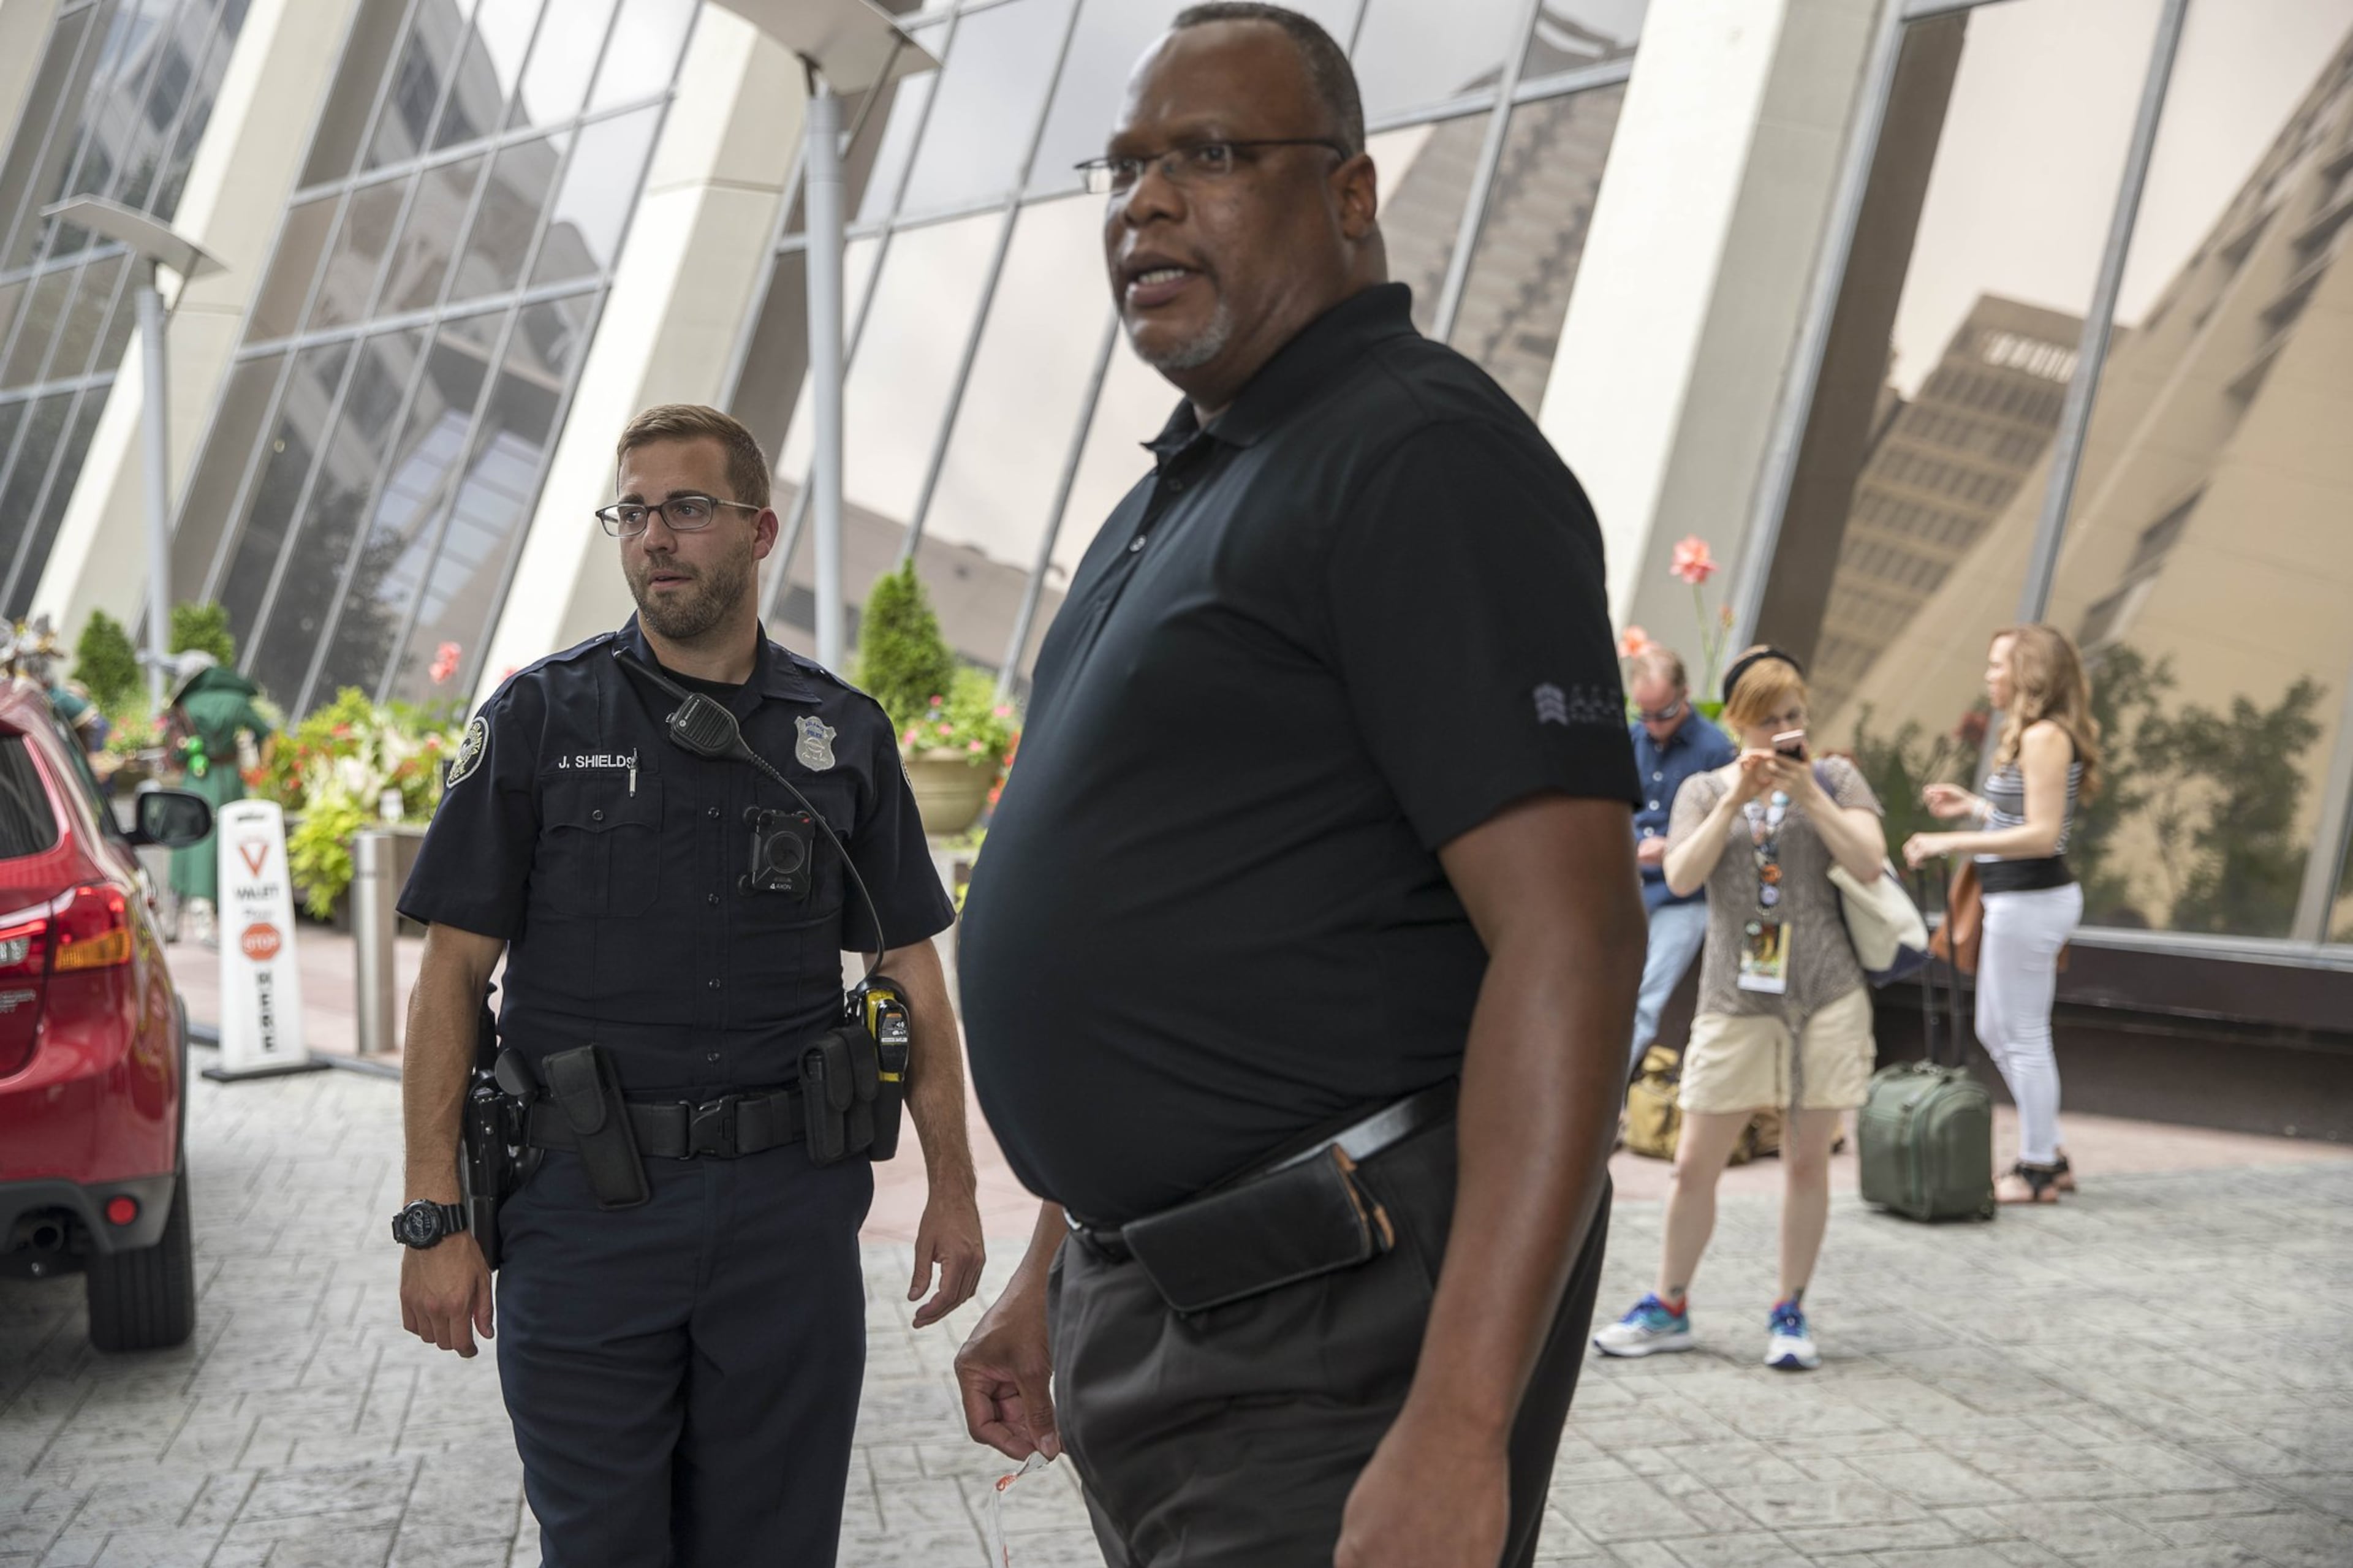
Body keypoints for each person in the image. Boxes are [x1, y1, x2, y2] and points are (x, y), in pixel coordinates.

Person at [949, 9, 1643, 1567]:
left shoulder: (1416, 458)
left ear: (1347, 197)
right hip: (1162, 1317)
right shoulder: (1179, 484)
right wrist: (1055, 1265)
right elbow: (1204, 931)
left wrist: (1460, 1426)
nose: (1144, 201)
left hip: (1322, 1347)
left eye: (1208, 154)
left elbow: (1575, 944)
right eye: (1122, 167)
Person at [392, 404, 985, 1567]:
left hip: (787, 1220)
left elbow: (908, 965)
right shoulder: (539, 716)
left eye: (689, 509)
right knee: (603, 1546)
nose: (655, 535)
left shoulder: (839, 731)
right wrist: (433, 1215)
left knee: (776, 1545)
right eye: (634, 511)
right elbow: (451, 974)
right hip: (583, 1215)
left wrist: (954, 1187)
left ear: (760, 531)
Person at [1593, 647, 1887, 1371]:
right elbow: (1682, 875)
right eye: (1769, 721)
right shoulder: (1704, 786)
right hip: (1734, 996)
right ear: (1741, 726)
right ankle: (1669, 1304)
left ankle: (1789, 1309)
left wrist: (1810, 794)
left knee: (1806, 1161)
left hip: (1825, 995)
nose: (1785, 731)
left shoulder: (1835, 777)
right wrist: (1735, 798)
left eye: (1795, 716)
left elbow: (1869, 862)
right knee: (1694, 1163)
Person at [1904, 624, 2099, 1204]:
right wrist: (1977, 807)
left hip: (2031, 902)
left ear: (2028, 673)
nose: (1988, 675)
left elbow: (2043, 835)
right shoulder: (2035, 735)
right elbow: (2026, 815)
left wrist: (1948, 842)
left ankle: (2038, 1167)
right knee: (1999, 1029)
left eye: (1997, 665)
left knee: (2025, 1035)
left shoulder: (2044, 736)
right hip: (2015, 901)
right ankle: (2051, 1150)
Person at [1626, 646, 1737, 1076]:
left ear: (1686, 693)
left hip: (1682, 894)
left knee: (1645, 1000)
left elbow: (1730, 831)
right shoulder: (1633, 739)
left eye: (1664, 712)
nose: (1654, 725)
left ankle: (1606, 1101)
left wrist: (1672, 845)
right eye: (1645, 714)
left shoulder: (1715, 749)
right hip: (1630, 885)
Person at [164, 651, 273, 948]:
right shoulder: (238, 702)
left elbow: (175, 753)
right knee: (226, 845)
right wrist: (263, 770)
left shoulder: (186, 704)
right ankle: (213, 919)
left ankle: (174, 916)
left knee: (188, 843)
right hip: (229, 780)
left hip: (195, 780)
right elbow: (267, 733)